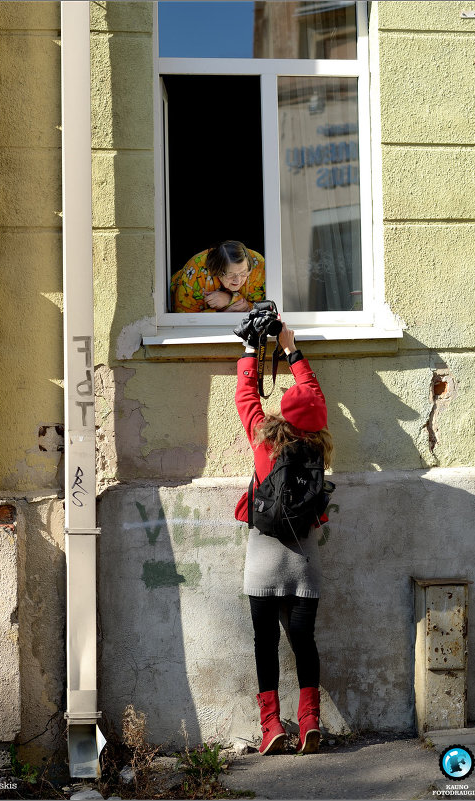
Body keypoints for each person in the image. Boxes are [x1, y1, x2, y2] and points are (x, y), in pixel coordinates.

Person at [234, 322, 333, 756]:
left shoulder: (263, 441)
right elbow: (312, 392)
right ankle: (310, 719)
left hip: (263, 555)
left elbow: (246, 399)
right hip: (303, 559)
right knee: (303, 639)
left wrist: (251, 348)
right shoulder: (317, 449)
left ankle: (271, 726)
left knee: (264, 643)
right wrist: (293, 352)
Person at [170, 240, 265, 313]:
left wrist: (230, 299)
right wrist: (224, 313)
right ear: (217, 270)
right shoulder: (195, 272)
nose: (238, 280)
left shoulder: (259, 267)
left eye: (243, 273)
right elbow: (184, 318)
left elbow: (268, 309)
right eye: (231, 274)